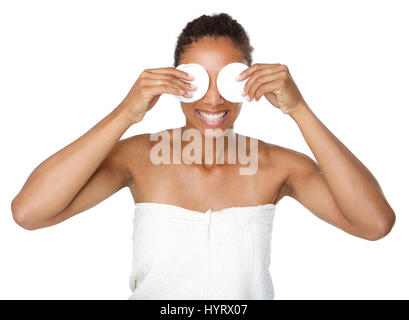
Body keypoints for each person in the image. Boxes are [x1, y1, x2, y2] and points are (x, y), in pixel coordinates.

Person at [11, 13, 395, 300]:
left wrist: (299, 109)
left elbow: (375, 224)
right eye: (197, 82)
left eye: (227, 80)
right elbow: (29, 212)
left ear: (250, 80)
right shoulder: (138, 158)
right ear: (175, 81)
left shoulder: (279, 166)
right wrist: (125, 114)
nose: (213, 99)